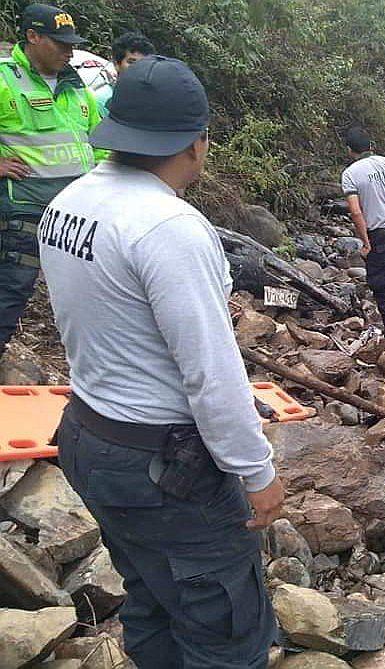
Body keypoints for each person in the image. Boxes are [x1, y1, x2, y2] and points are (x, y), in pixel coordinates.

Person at [42, 56, 282, 668]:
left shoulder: (67, 202)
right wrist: (256, 472)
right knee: (226, 631)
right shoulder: (168, 226)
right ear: (198, 144)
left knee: (152, 596)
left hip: (89, 437)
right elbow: (210, 372)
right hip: (163, 467)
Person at [0, 3, 103, 358]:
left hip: (76, 216)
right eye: (60, 43)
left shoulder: (76, 86)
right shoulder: (4, 79)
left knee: (93, 296)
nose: (69, 50)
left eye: (71, 43)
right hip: (24, 209)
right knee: (10, 291)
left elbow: (101, 143)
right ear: (32, 36)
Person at [341, 127, 385, 341]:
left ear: (350, 150)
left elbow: (355, 211)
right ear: (371, 146)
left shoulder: (351, 173)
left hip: (379, 233)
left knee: (380, 282)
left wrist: (365, 242)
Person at [94, 31, 156, 118]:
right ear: (116, 64)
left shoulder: (155, 99)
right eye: (131, 62)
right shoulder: (102, 100)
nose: (138, 67)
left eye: (144, 63)